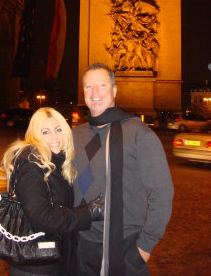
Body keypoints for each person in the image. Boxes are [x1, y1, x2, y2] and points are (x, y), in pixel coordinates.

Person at [73, 62, 174, 276]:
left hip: (124, 248)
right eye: (89, 87)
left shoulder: (138, 133)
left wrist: (143, 249)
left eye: (102, 85)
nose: (95, 93)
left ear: (115, 90)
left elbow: (163, 192)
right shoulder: (75, 135)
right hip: (80, 247)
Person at [1, 107, 104, 276]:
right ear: (35, 135)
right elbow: (42, 218)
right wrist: (89, 213)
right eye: (45, 132)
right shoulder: (31, 166)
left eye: (58, 130)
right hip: (36, 264)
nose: (55, 138)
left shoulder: (55, 162)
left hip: (50, 258)